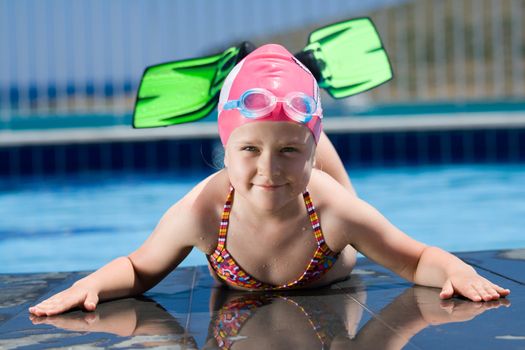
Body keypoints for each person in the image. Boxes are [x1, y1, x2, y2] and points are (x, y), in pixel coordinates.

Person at [29, 44, 509, 317]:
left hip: (323, 231)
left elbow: (417, 258)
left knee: (330, 176)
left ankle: (304, 99)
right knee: (279, 140)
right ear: (225, 151)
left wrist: (456, 270)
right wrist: (92, 282)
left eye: (289, 152)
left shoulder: (336, 209)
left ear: (309, 153)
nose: (268, 170)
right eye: (248, 150)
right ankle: (271, 81)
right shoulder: (202, 209)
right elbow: (139, 269)